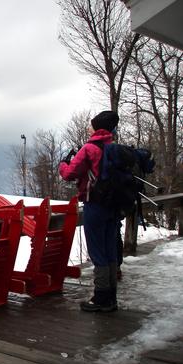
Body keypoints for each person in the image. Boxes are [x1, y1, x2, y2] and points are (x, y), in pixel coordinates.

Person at [59, 110, 119, 312]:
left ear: (97, 127)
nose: (88, 127)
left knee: (97, 251)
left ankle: (101, 298)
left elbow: (69, 174)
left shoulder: (90, 148)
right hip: (113, 205)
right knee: (110, 249)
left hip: (95, 204)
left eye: (91, 124)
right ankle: (112, 296)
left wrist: (62, 165)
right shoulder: (114, 147)